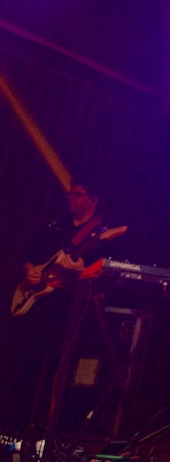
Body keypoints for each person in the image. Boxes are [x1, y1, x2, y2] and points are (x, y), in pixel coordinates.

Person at [0, 179, 119, 436]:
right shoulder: (53, 226)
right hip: (39, 308)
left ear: (93, 200)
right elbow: (29, 256)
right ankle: (15, 427)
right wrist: (30, 272)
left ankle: (49, 433)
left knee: (60, 372)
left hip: (69, 312)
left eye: (78, 194)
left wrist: (80, 270)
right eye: (69, 194)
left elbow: (103, 275)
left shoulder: (101, 234)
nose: (71, 199)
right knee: (25, 367)